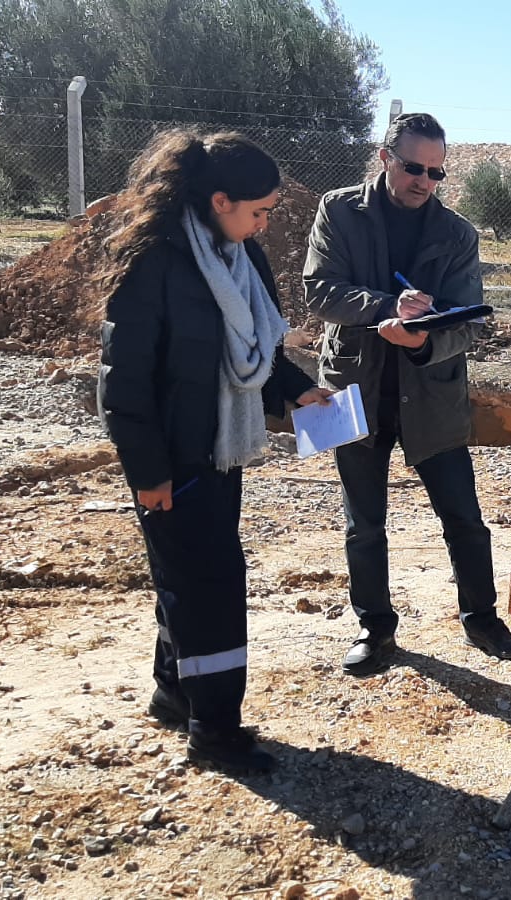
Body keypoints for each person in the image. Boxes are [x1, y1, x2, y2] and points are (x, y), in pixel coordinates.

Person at [97, 129, 332, 772]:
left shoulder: (241, 256)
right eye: (258, 211)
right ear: (219, 199)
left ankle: (175, 695)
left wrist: (297, 392)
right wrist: (148, 474)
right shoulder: (155, 262)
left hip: (221, 454)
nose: (264, 225)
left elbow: (262, 352)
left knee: (188, 581)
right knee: (211, 587)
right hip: (173, 462)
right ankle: (216, 731)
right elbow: (124, 384)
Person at [303, 112, 511, 675]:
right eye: (413, 167)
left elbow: (468, 323)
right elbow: (319, 290)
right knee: (364, 522)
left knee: (463, 517)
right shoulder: (338, 210)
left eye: (435, 172)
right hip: (356, 387)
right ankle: (374, 629)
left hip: (432, 393)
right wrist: (385, 309)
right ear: (385, 158)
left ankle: (481, 618)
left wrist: (422, 342)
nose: (424, 180)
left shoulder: (457, 234)